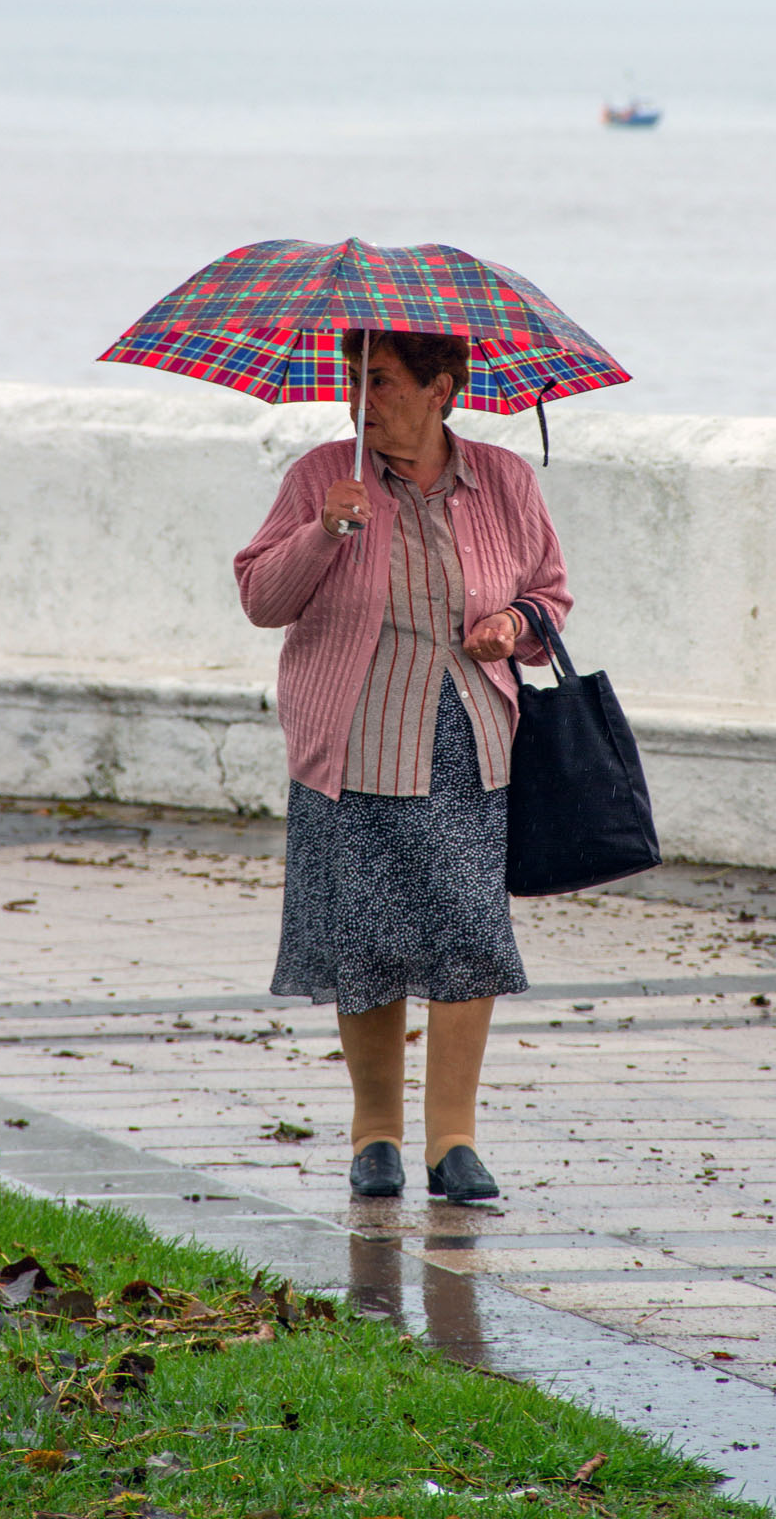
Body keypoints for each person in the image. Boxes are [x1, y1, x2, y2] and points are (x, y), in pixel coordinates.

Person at [234, 328, 571, 1204]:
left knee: (468, 935)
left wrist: (514, 627)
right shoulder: (320, 478)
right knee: (366, 939)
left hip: (467, 738)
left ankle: (452, 1143)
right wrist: (322, 532)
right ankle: (374, 1136)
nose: (362, 399)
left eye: (381, 381)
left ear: (441, 390)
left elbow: (548, 592)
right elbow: (262, 601)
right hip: (349, 740)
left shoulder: (502, 479)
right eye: (355, 380)